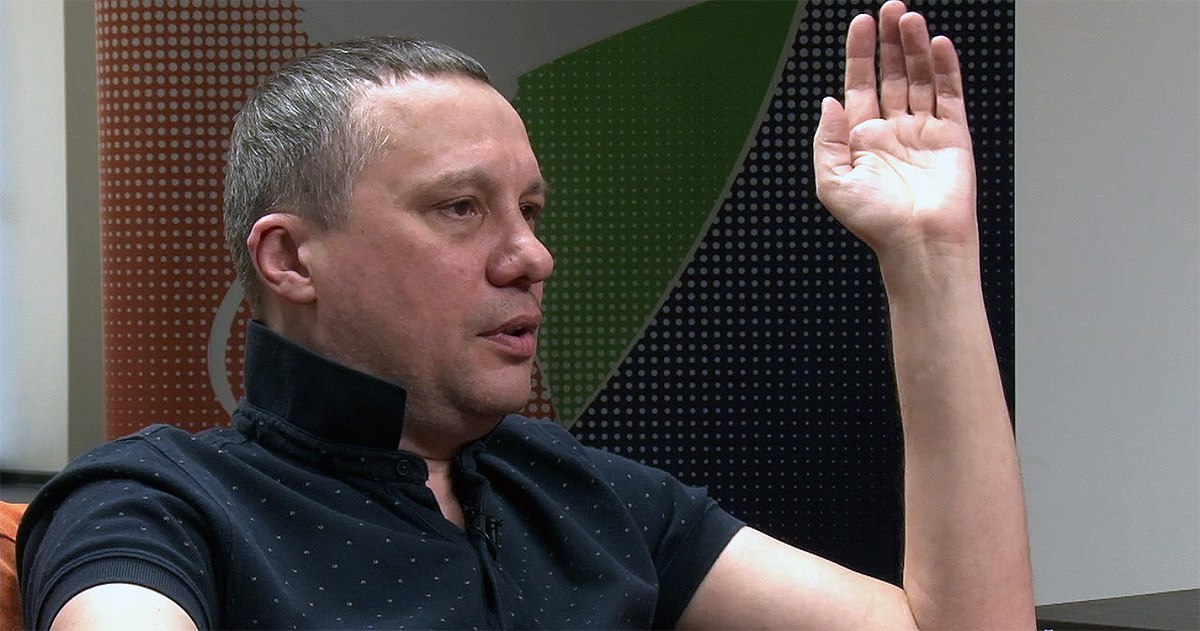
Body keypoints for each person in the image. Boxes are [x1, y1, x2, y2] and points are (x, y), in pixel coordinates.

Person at [18, 1, 1034, 628]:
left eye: (531, 212)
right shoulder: (155, 501)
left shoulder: (587, 496)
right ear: (289, 259)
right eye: (460, 208)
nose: (532, 256)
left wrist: (931, 258)